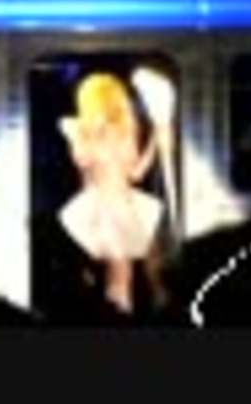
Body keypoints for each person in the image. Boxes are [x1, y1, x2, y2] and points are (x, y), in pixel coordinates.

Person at [57, 72, 174, 315]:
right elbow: (82, 163)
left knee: (149, 270)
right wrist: (80, 136)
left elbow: (136, 173)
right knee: (121, 272)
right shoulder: (82, 131)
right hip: (101, 209)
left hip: (127, 206)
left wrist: (157, 138)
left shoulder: (128, 128)